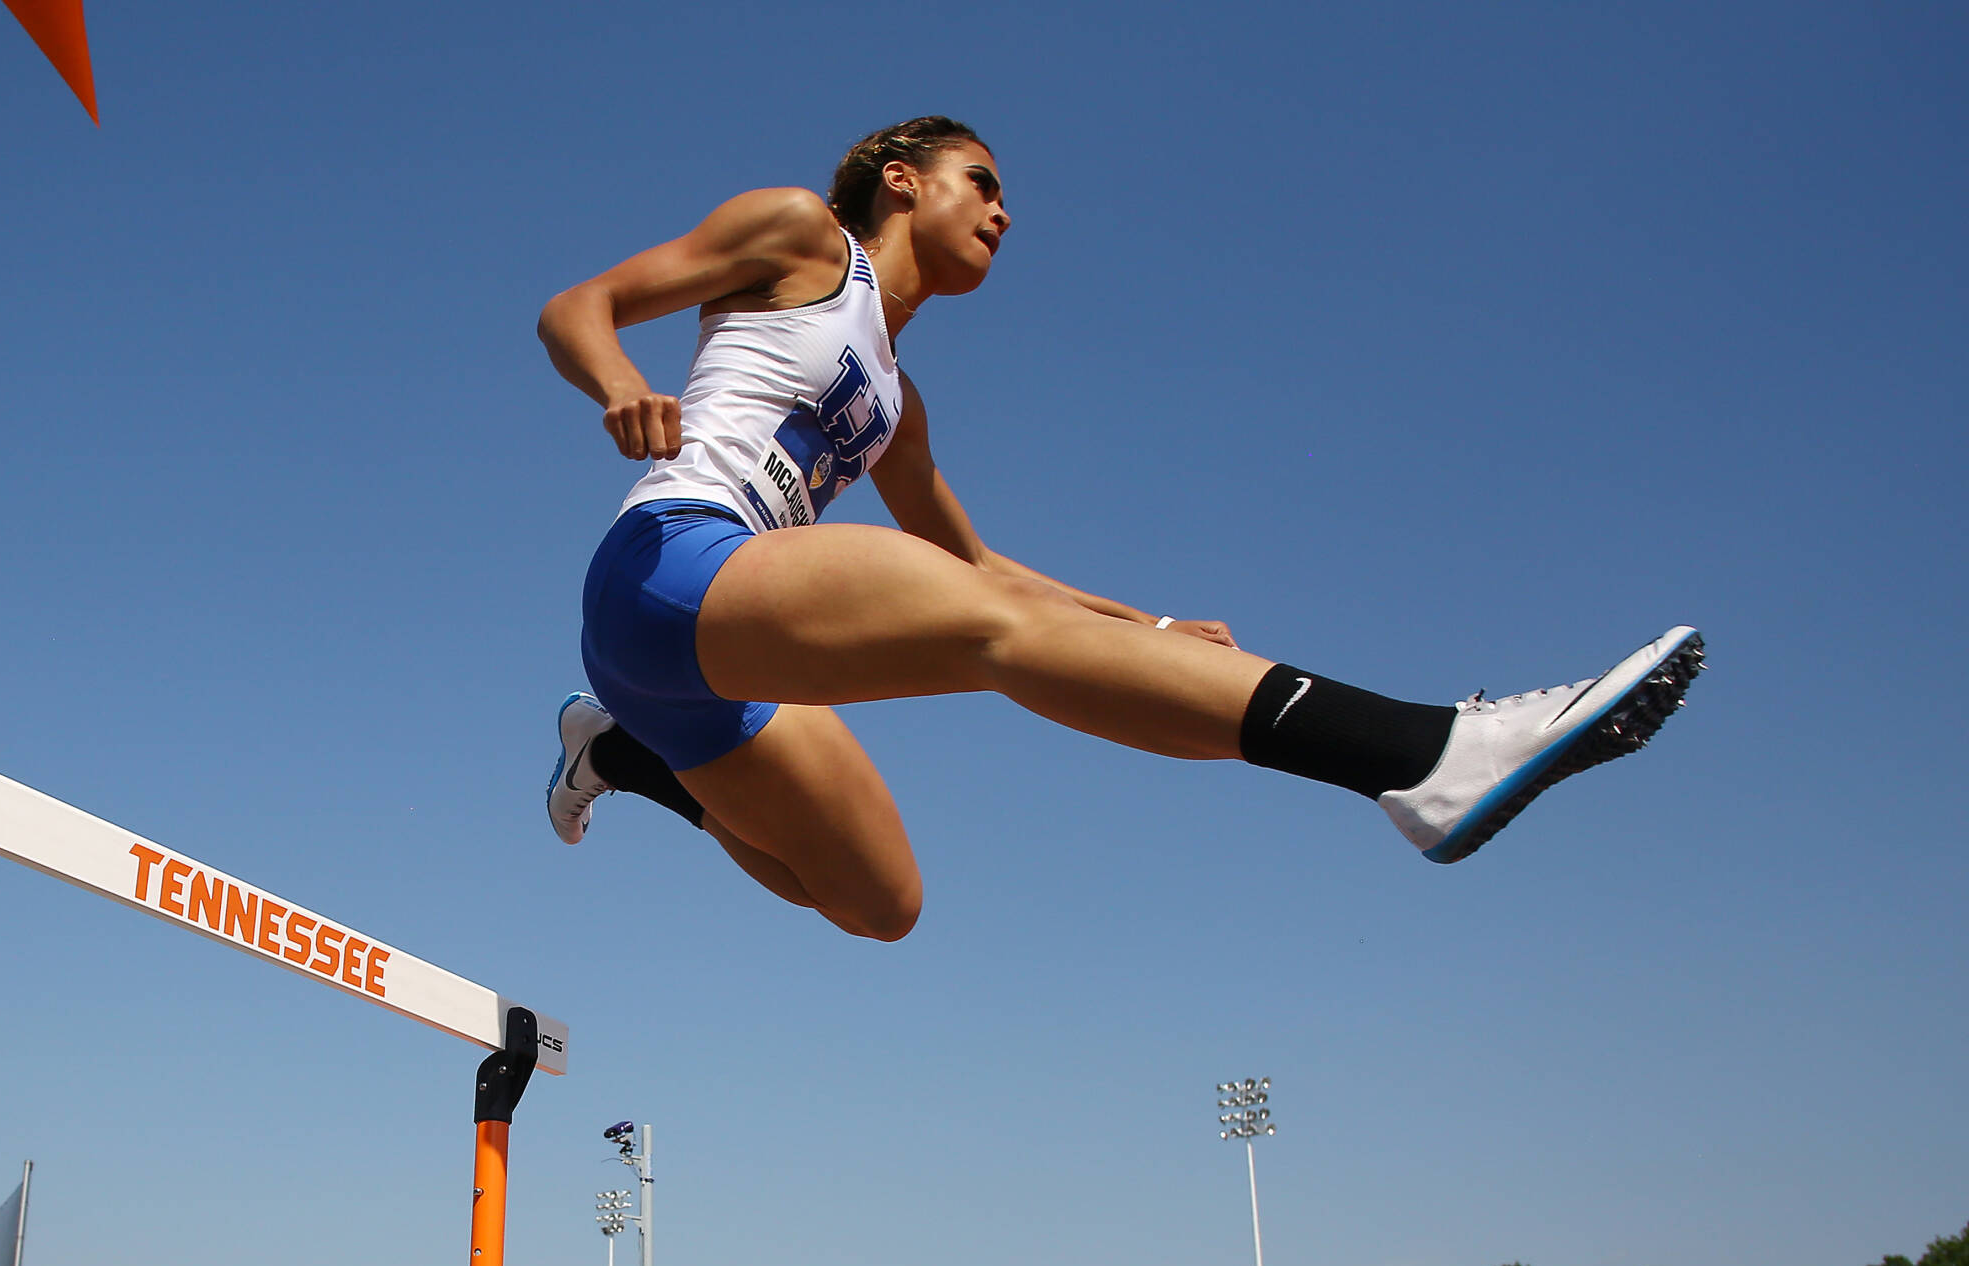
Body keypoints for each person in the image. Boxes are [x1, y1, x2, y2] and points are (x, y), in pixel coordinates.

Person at [541, 116, 1702, 935]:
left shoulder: (900, 402)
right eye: (981, 181)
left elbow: (974, 563)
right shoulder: (797, 235)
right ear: (900, 178)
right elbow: (577, 304)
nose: (1003, 211)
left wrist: (1141, 623)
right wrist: (616, 384)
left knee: (870, 901)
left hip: (711, 671)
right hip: (670, 566)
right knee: (989, 636)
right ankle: (1421, 753)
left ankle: (626, 752)